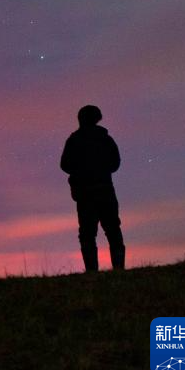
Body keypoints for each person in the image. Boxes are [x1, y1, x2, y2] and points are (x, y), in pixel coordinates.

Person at [60, 104, 125, 272]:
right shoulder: (105, 139)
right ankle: (118, 269)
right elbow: (115, 163)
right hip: (104, 189)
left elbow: (65, 164)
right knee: (112, 229)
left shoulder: (74, 140)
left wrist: (81, 172)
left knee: (88, 233)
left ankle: (92, 272)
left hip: (86, 193)